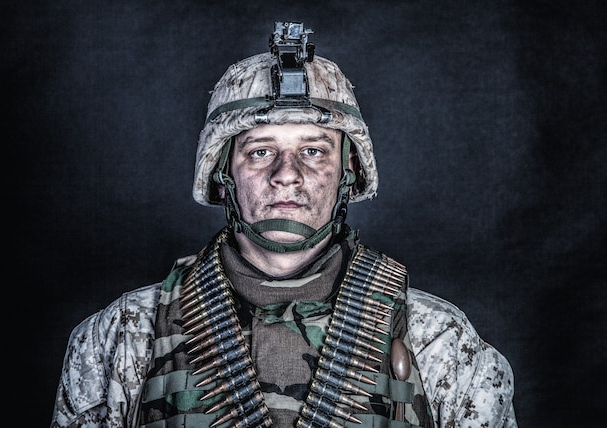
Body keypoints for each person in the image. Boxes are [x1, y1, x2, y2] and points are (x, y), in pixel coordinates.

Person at [51, 21, 516, 428]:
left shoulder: (439, 340)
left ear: (346, 173)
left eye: (313, 150)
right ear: (223, 173)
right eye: (260, 151)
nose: (286, 174)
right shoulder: (122, 336)